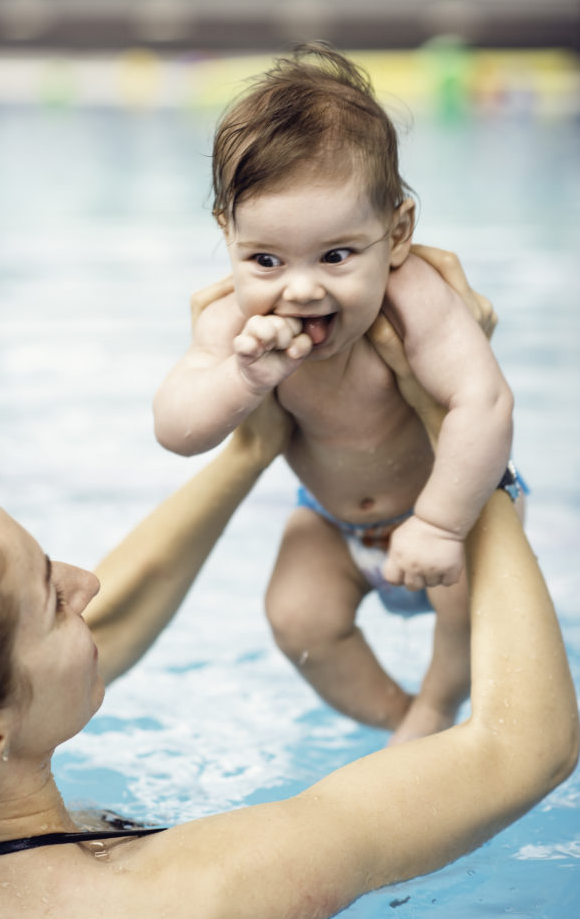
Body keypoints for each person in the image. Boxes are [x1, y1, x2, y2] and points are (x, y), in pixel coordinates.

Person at [0, 260, 577, 919]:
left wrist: (250, 447)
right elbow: (524, 748)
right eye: (53, 598)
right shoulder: (188, 893)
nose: (88, 586)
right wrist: (458, 433)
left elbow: (104, 628)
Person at [153, 43, 518, 743]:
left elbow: (484, 402)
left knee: (468, 604)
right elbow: (176, 429)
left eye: (336, 255)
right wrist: (240, 377)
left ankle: (438, 705)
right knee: (296, 616)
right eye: (265, 259)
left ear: (397, 233)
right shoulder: (231, 319)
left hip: (448, 506)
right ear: (225, 235)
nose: (300, 287)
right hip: (329, 520)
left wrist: (440, 522)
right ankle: (400, 722)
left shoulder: (418, 300)